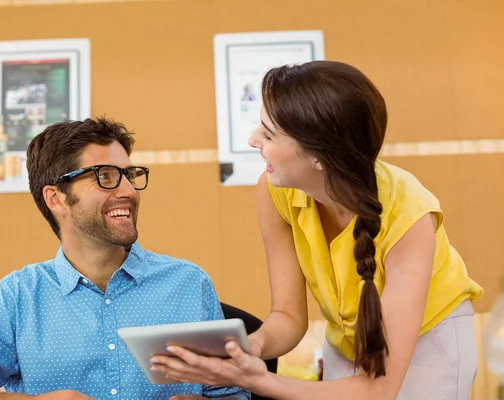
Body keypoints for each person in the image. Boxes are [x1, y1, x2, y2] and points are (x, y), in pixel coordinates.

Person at [150, 61, 484, 400]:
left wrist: (257, 380)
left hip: (430, 341)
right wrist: (251, 347)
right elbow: (289, 317)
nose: (253, 140)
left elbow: (379, 389)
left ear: (319, 156)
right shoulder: (273, 190)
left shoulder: (410, 217)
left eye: (268, 134)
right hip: (347, 338)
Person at [0, 117, 249, 400]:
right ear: (56, 199)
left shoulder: (188, 284)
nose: (128, 190)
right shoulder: (18, 299)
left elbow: (235, 393)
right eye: (105, 176)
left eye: (130, 175)